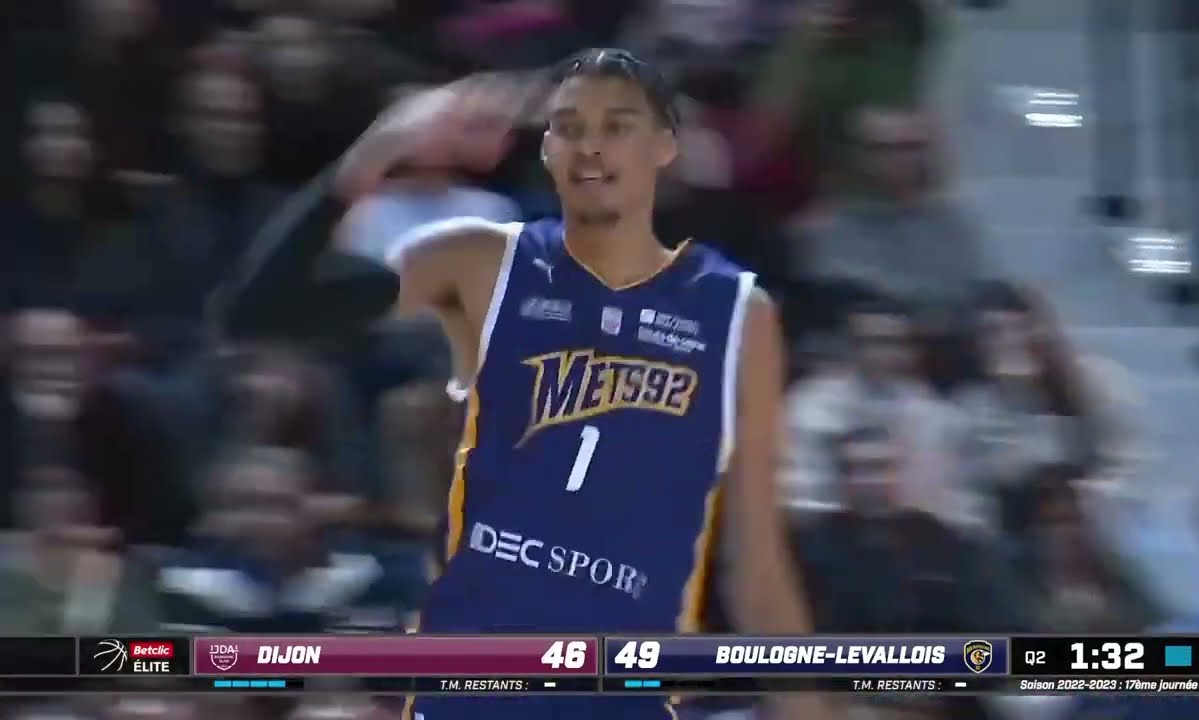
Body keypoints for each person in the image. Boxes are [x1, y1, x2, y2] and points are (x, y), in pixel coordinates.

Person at [212, 48, 829, 720]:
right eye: (571, 128)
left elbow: (757, 566)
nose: (592, 149)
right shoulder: (485, 264)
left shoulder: (738, 313)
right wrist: (373, 154)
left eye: (617, 127)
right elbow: (256, 312)